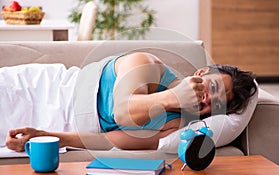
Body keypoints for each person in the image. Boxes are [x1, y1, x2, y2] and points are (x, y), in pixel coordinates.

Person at [5, 52, 257, 152]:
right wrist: (174, 97)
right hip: (43, 90)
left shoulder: (175, 125)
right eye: (213, 87)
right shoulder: (148, 64)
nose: (209, 98)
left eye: (218, 103)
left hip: (59, 122)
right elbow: (121, 113)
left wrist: (44, 135)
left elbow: (108, 140)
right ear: (201, 73)